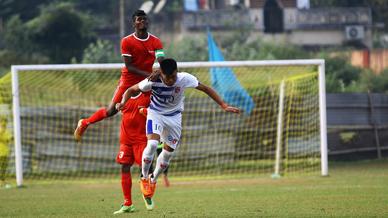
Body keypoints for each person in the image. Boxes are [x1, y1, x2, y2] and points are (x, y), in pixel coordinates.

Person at [116, 58, 240, 210]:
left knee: (167, 155)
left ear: (176, 72)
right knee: (153, 144)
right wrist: (122, 102)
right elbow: (131, 90)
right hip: (155, 114)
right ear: (161, 73)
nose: (171, 80)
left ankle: (153, 179)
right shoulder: (152, 81)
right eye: (168, 77)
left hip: (175, 118)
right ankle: (144, 177)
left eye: (173, 76)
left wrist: (224, 105)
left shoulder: (184, 78)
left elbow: (206, 88)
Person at [74, 9, 165, 141]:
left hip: (146, 79)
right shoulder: (127, 41)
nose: (143, 21)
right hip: (129, 79)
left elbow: (161, 59)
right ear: (134, 24)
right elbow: (129, 66)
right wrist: (150, 74)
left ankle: (154, 143)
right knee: (111, 111)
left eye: (145, 19)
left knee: (154, 107)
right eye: (139, 19)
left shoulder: (155, 41)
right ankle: (85, 122)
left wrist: (162, 69)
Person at [113, 91, 151, 214]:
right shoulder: (124, 94)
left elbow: (155, 113)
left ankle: (147, 194)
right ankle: (128, 203)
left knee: (145, 168)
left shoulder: (147, 95)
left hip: (141, 140)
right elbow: (114, 106)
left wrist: (146, 112)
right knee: (124, 167)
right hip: (126, 140)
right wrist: (116, 106)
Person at [140, 108, 170, 187]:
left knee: (164, 157)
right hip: (151, 137)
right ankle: (147, 178)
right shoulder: (150, 109)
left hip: (161, 140)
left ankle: (164, 176)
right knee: (149, 158)